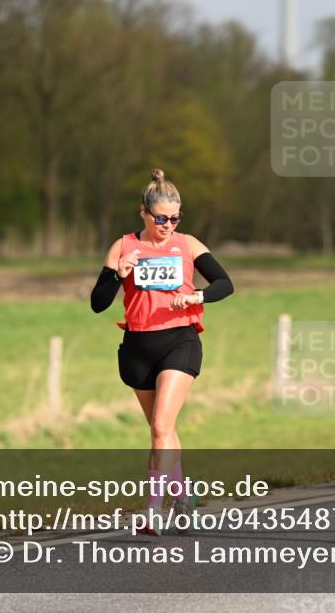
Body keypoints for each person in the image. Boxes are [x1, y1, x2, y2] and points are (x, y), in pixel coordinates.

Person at [90, 169, 234, 534]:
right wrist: (117, 275)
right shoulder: (123, 246)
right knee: (163, 432)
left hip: (179, 341)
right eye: (161, 219)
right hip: (139, 345)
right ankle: (183, 493)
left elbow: (225, 284)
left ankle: (153, 511)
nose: (168, 225)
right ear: (143, 212)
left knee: (160, 426)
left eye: (175, 218)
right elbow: (97, 303)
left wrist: (197, 295)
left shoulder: (187, 244)